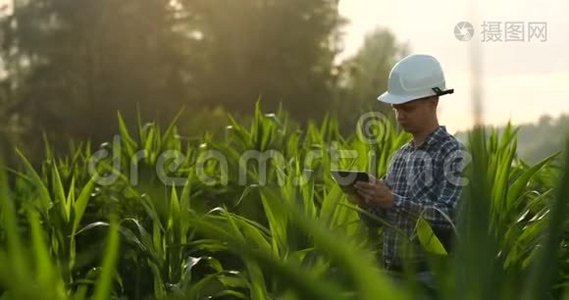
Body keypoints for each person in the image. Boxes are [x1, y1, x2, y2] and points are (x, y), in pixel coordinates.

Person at [351, 54, 467, 281]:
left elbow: (449, 217)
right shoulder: (400, 156)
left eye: (408, 108)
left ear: (432, 102)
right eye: (396, 108)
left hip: (432, 278)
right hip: (393, 273)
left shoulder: (454, 154)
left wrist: (393, 200)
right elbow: (383, 218)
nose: (400, 115)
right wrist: (366, 202)